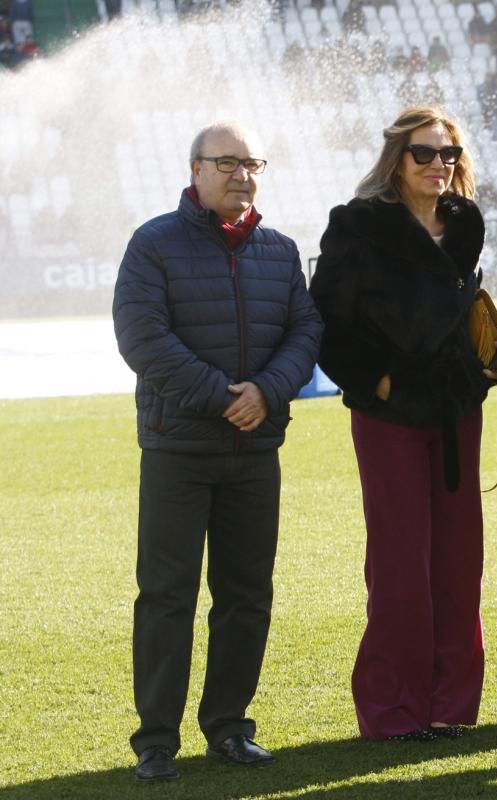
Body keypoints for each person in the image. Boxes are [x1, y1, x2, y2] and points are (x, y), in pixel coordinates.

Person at [112, 120, 323, 782]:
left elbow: (305, 330)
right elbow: (142, 337)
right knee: (166, 596)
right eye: (227, 162)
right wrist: (221, 396)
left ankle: (229, 727)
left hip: (255, 451)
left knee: (246, 595)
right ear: (195, 169)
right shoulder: (153, 245)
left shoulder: (279, 250)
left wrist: (265, 391)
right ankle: (156, 741)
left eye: (252, 162)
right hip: (178, 448)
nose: (242, 174)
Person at [309, 106, 497, 742]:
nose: (438, 165)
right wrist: (377, 382)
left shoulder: (465, 223)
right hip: (390, 415)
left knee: (459, 562)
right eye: (424, 153)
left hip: (457, 412)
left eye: (449, 154)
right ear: (397, 158)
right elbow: (328, 323)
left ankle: (451, 705)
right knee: (399, 564)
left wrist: (487, 363)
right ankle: (393, 711)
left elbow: (465, 311)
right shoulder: (358, 223)